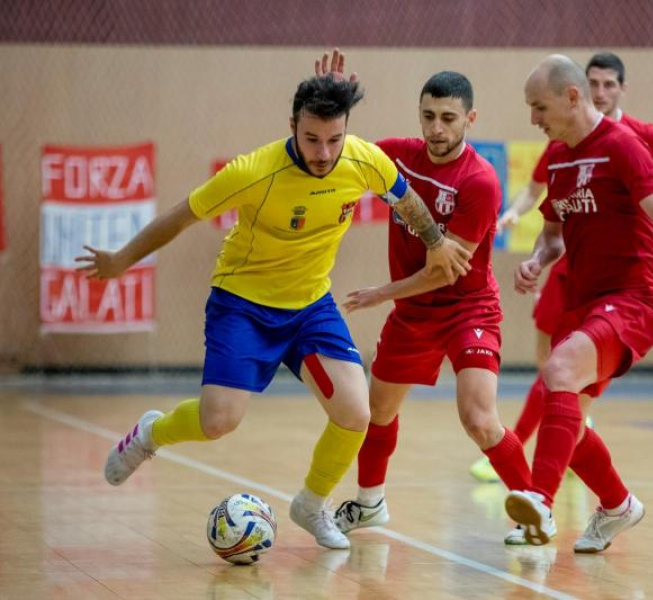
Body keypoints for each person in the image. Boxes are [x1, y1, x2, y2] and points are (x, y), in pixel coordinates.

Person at [75, 50, 472, 551]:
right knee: (219, 421)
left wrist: (436, 243)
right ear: (291, 126)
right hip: (243, 304)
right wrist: (121, 260)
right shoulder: (253, 172)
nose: (324, 152)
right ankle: (152, 434)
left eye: (334, 138)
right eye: (311, 139)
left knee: (355, 412)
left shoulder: (364, 160)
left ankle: (310, 504)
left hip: (309, 308)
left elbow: (406, 198)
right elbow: (179, 217)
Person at [306, 55, 532, 536]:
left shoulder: (480, 181)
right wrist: (332, 99)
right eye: (428, 115)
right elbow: (336, 151)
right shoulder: (398, 157)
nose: (436, 127)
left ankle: (536, 505)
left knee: (478, 418)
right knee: (376, 411)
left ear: (470, 119)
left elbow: (445, 272)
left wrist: (380, 294)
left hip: (467, 307)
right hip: (413, 316)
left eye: (448, 118)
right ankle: (369, 504)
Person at [469, 51, 653, 485]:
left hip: (627, 290)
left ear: (615, 89)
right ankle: (615, 502)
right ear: (582, 87)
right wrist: (533, 252)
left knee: (560, 371)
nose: (601, 91)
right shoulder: (560, 149)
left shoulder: (633, 138)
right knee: (557, 380)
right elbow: (546, 215)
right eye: (595, 82)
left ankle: (535, 496)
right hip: (575, 275)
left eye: (609, 84)